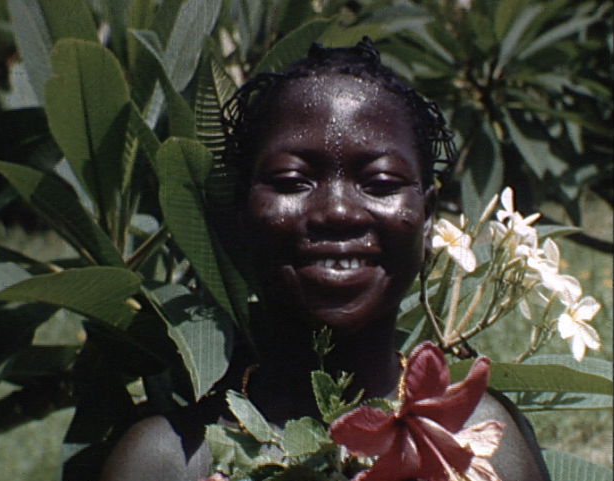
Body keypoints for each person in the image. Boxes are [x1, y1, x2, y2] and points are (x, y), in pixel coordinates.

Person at [100, 39, 551, 481]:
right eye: (292, 180)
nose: (338, 210)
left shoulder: (482, 447)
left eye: (380, 181)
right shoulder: (169, 461)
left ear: (427, 217)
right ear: (239, 214)